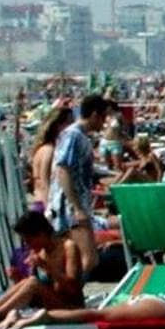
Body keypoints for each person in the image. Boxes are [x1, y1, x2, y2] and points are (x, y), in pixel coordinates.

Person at [0, 212, 87, 329]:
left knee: (32, 282)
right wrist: (17, 278)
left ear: (41, 234)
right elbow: (31, 293)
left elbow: (73, 287)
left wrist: (46, 266)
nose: (27, 245)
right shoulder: (40, 252)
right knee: (28, 281)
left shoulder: (68, 247)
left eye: (29, 240)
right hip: (51, 304)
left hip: (72, 308)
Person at [49, 93, 112, 277]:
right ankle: (70, 291)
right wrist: (77, 208)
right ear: (94, 114)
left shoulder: (79, 136)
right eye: (103, 118)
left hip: (75, 204)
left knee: (74, 259)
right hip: (69, 207)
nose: (104, 123)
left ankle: (67, 289)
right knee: (88, 259)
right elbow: (63, 170)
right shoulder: (74, 135)